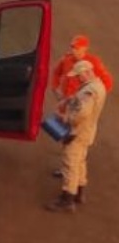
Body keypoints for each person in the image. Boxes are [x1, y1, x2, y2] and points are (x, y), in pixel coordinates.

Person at [46, 60, 107, 212]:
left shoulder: (88, 92)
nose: (77, 79)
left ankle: (67, 198)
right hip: (87, 132)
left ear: (87, 72)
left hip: (77, 132)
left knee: (70, 163)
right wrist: (70, 99)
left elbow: (81, 114)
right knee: (80, 162)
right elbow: (83, 104)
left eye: (79, 76)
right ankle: (79, 192)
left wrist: (62, 118)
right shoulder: (98, 86)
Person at [50, 35, 112, 178]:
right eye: (72, 47)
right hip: (67, 104)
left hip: (82, 108)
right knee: (65, 136)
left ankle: (73, 170)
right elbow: (56, 72)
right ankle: (65, 167)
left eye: (76, 48)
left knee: (77, 140)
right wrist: (56, 89)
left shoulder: (93, 63)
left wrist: (93, 101)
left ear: (84, 48)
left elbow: (107, 83)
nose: (73, 50)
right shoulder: (66, 59)